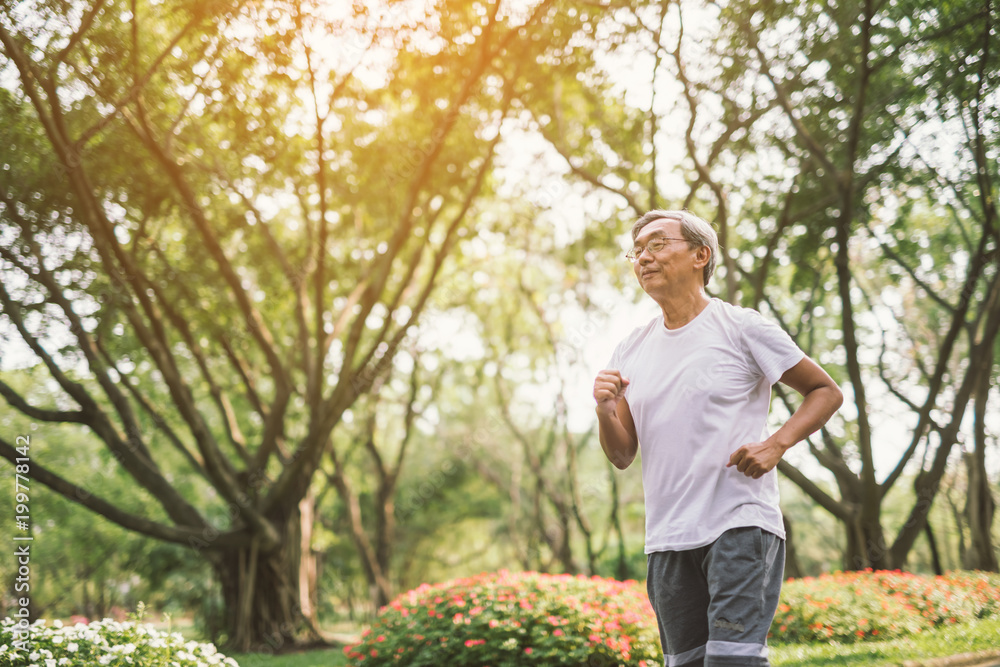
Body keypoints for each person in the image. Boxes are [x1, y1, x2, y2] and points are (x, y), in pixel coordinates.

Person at [593, 210, 843, 667]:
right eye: (637, 250)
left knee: (733, 660)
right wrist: (606, 410)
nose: (643, 257)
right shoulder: (630, 348)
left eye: (657, 244)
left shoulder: (741, 327)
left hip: (739, 523)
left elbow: (825, 391)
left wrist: (776, 445)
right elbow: (623, 454)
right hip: (668, 537)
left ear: (700, 255)